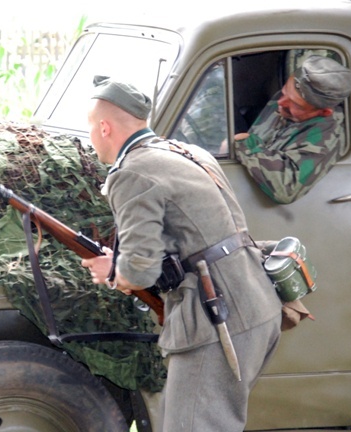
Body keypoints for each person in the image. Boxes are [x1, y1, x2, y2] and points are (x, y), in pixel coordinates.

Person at [81, 75, 282, 432]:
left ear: (105, 127)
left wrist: (113, 272)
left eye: (91, 129)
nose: (90, 138)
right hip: (258, 306)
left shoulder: (132, 173)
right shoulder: (187, 151)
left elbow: (139, 272)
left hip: (216, 319)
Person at [232, 55, 351, 204]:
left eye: (296, 104)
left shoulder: (327, 135)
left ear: (324, 112)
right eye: (284, 92)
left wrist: (243, 144)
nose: (280, 102)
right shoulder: (284, 102)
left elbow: (286, 187)